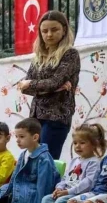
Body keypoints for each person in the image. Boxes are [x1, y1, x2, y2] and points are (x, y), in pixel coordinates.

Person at [27, 124, 105, 203]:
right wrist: (59, 188)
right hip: (67, 191)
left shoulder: (94, 162)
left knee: (62, 201)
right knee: (47, 199)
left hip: (80, 194)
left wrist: (68, 191)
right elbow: (65, 178)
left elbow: (88, 183)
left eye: (82, 143)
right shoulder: (75, 161)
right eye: (75, 143)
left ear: (94, 144)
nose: (77, 146)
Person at [18, 11, 80, 160]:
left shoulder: (70, 54)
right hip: (35, 116)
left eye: (54, 29)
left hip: (56, 115)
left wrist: (34, 84)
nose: (49, 34)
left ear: (64, 30)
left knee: (47, 160)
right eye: (45, 31)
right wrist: (49, 87)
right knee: (33, 159)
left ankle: (50, 185)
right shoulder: (38, 56)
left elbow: (52, 82)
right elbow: (25, 88)